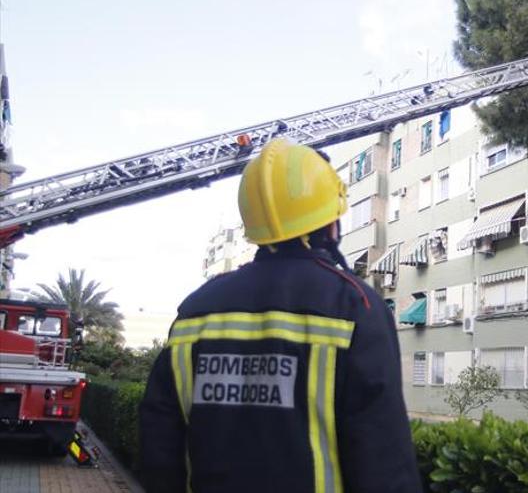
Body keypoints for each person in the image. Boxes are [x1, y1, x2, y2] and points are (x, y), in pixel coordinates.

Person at [139, 139, 422, 493]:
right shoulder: (355, 306)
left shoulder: (197, 310)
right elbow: (384, 464)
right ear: (331, 218)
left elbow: (159, 449)